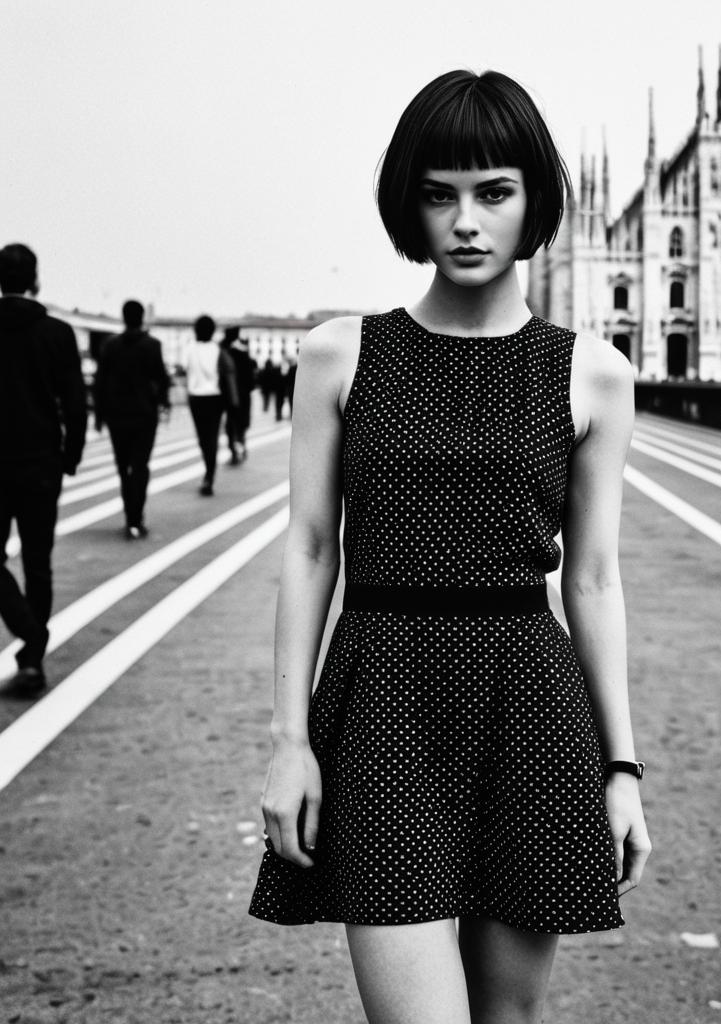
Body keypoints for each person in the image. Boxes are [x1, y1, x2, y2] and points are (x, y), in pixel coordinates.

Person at [249, 70, 651, 1024]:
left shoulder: (592, 373)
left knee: (508, 1020)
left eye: (494, 192)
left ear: (534, 203)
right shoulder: (338, 356)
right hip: (382, 698)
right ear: (409, 206)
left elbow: (594, 582)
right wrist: (289, 742)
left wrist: (623, 769)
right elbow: (310, 552)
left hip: (531, 704)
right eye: (439, 195)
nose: (466, 221)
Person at [0, 243, 86, 695]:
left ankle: (28, 632)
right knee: (38, 561)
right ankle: (33, 653)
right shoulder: (57, 332)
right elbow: (74, 401)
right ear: (35, 279)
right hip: (39, 462)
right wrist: (70, 455)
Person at [93, 299, 171, 538]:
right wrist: (163, 403)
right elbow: (161, 378)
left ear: (124, 317)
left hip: (117, 415)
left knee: (123, 466)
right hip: (144, 414)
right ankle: (137, 517)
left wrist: (98, 414)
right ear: (142, 318)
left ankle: (129, 514)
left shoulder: (110, 345)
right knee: (140, 466)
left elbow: (100, 382)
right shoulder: (152, 345)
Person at [184, 314, 237, 496]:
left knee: (202, 438)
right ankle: (209, 475)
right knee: (212, 436)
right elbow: (229, 374)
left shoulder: (190, 349)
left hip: (196, 398)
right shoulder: (218, 350)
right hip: (215, 398)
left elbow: (186, 372)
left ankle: (208, 470)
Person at [222, 326, 256, 463]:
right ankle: (241, 445)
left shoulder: (226, 352)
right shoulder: (244, 354)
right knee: (241, 424)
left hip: (231, 395)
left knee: (231, 424)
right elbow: (251, 379)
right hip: (243, 395)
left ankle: (234, 449)